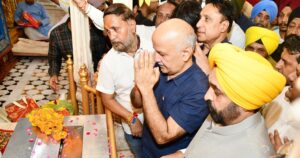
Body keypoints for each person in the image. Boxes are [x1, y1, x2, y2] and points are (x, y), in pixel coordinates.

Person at [183, 43, 286, 158]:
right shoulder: (225, 112)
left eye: (217, 92)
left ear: (245, 103)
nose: (207, 96)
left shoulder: (252, 153)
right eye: (209, 86)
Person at [132, 19, 209, 157]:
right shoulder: (162, 66)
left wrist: (146, 90)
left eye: (162, 54)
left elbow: (163, 136)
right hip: (146, 150)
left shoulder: (199, 90)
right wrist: (139, 85)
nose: (156, 58)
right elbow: (136, 103)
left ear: (185, 53)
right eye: (155, 51)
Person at [85, 3, 154, 157]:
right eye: (108, 31)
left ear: (131, 25)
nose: (112, 37)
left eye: (116, 29)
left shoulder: (153, 48)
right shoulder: (109, 62)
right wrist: (131, 119)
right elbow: (107, 99)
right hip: (135, 129)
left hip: (161, 124)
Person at [48, 18, 108, 92]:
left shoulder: (98, 29)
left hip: (102, 75)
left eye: (89, 23)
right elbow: (54, 58)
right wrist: (54, 75)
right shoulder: (57, 33)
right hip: (77, 77)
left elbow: (110, 48)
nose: (89, 26)